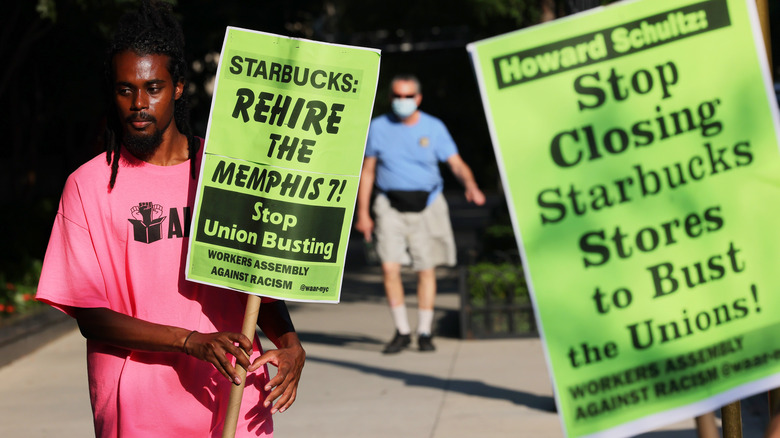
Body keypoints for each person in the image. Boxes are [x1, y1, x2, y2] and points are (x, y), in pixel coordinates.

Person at [35, 1, 305, 436]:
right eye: (125, 90)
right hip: (141, 409)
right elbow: (91, 316)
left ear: (178, 87)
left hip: (235, 396)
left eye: (153, 87)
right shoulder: (87, 186)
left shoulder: (227, 172)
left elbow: (258, 274)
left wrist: (290, 345)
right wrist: (190, 341)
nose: (139, 103)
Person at [355, 74, 486, 354]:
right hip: (390, 204)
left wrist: (471, 185)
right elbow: (367, 172)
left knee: (426, 269)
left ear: (419, 98)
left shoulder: (433, 127)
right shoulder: (378, 128)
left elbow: (456, 163)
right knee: (389, 267)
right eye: (398, 96)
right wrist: (362, 213)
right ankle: (402, 330)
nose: (403, 101)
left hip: (428, 204)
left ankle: (424, 331)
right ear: (391, 98)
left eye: (408, 96)